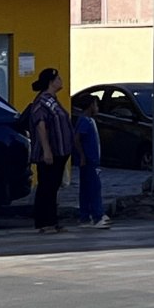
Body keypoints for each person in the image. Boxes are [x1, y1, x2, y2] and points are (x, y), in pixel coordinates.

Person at [27, 67, 74, 233]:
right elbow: (41, 126)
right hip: (49, 153)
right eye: (58, 79)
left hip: (61, 151)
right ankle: (43, 222)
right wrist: (47, 150)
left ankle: (53, 221)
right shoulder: (42, 101)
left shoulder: (54, 100)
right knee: (46, 186)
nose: (61, 81)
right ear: (50, 82)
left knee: (53, 187)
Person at [74, 95, 111, 229]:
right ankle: (97, 216)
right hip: (90, 161)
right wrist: (83, 155)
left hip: (90, 160)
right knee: (94, 189)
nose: (97, 108)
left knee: (86, 189)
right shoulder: (85, 121)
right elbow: (77, 139)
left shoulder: (88, 120)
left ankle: (85, 216)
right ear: (90, 106)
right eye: (96, 105)